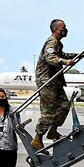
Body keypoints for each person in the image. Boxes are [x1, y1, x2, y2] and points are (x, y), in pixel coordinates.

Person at [33, 19, 79, 150]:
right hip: (47, 81)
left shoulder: (58, 43)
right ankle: (38, 137)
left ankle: (53, 130)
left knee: (65, 105)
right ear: (56, 30)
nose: (66, 29)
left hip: (56, 81)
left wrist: (75, 55)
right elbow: (51, 58)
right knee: (49, 112)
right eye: (63, 27)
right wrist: (65, 62)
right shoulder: (51, 42)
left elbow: (60, 54)